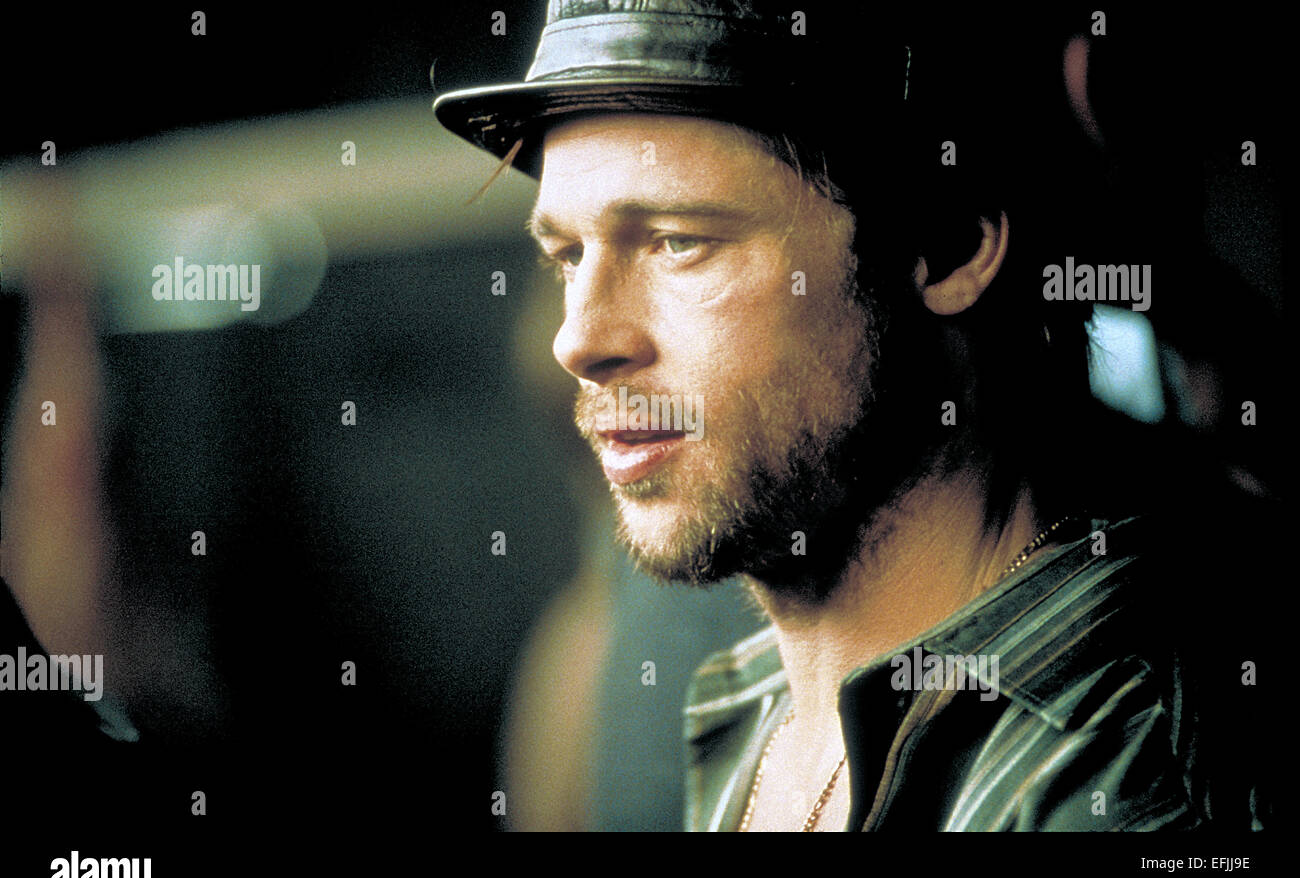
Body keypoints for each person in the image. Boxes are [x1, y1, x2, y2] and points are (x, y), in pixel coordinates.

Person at [441, 3, 1281, 833]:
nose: (579, 341)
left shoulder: (1117, 786)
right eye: (567, 256)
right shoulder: (746, 706)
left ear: (947, 247)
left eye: (678, 241)